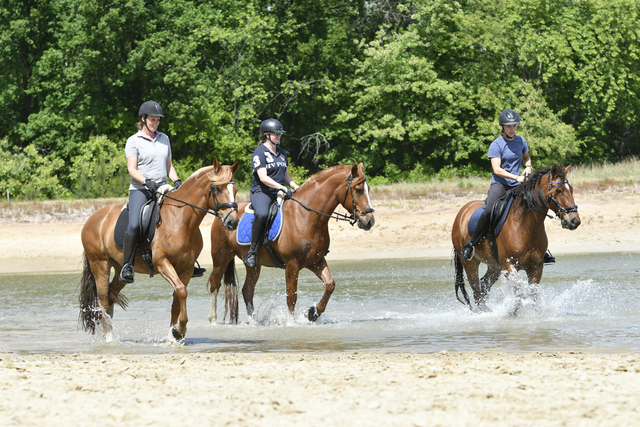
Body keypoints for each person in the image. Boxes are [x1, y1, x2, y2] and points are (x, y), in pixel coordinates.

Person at [460, 109, 555, 265]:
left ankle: (542, 250)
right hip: (500, 184)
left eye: (514, 126)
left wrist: (528, 168)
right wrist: (516, 177)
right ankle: (471, 244)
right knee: (489, 209)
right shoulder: (496, 145)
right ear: (502, 127)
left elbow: (527, 158)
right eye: (508, 126)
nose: (512, 129)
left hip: (518, 185)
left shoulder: (521, 141)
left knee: (534, 207)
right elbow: (497, 169)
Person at [120, 100, 183, 283]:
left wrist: (177, 181)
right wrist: (147, 182)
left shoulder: (164, 138)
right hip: (141, 189)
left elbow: (169, 166)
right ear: (143, 119)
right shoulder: (134, 141)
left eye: (158, 120)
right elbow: (132, 169)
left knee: (182, 217)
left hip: (163, 188)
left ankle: (188, 260)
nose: (155, 123)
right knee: (134, 225)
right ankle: (127, 266)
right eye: (152, 120)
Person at [244, 118, 300, 268]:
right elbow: (263, 178)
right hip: (262, 192)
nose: (279, 136)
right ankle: (252, 252)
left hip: (278, 191)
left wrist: (295, 185)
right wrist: (281, 188)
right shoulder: (259, 153)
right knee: (262, 214)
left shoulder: (281, 153)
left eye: (280, 134)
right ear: (267, 135)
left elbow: (285, 174)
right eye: (276, 134)